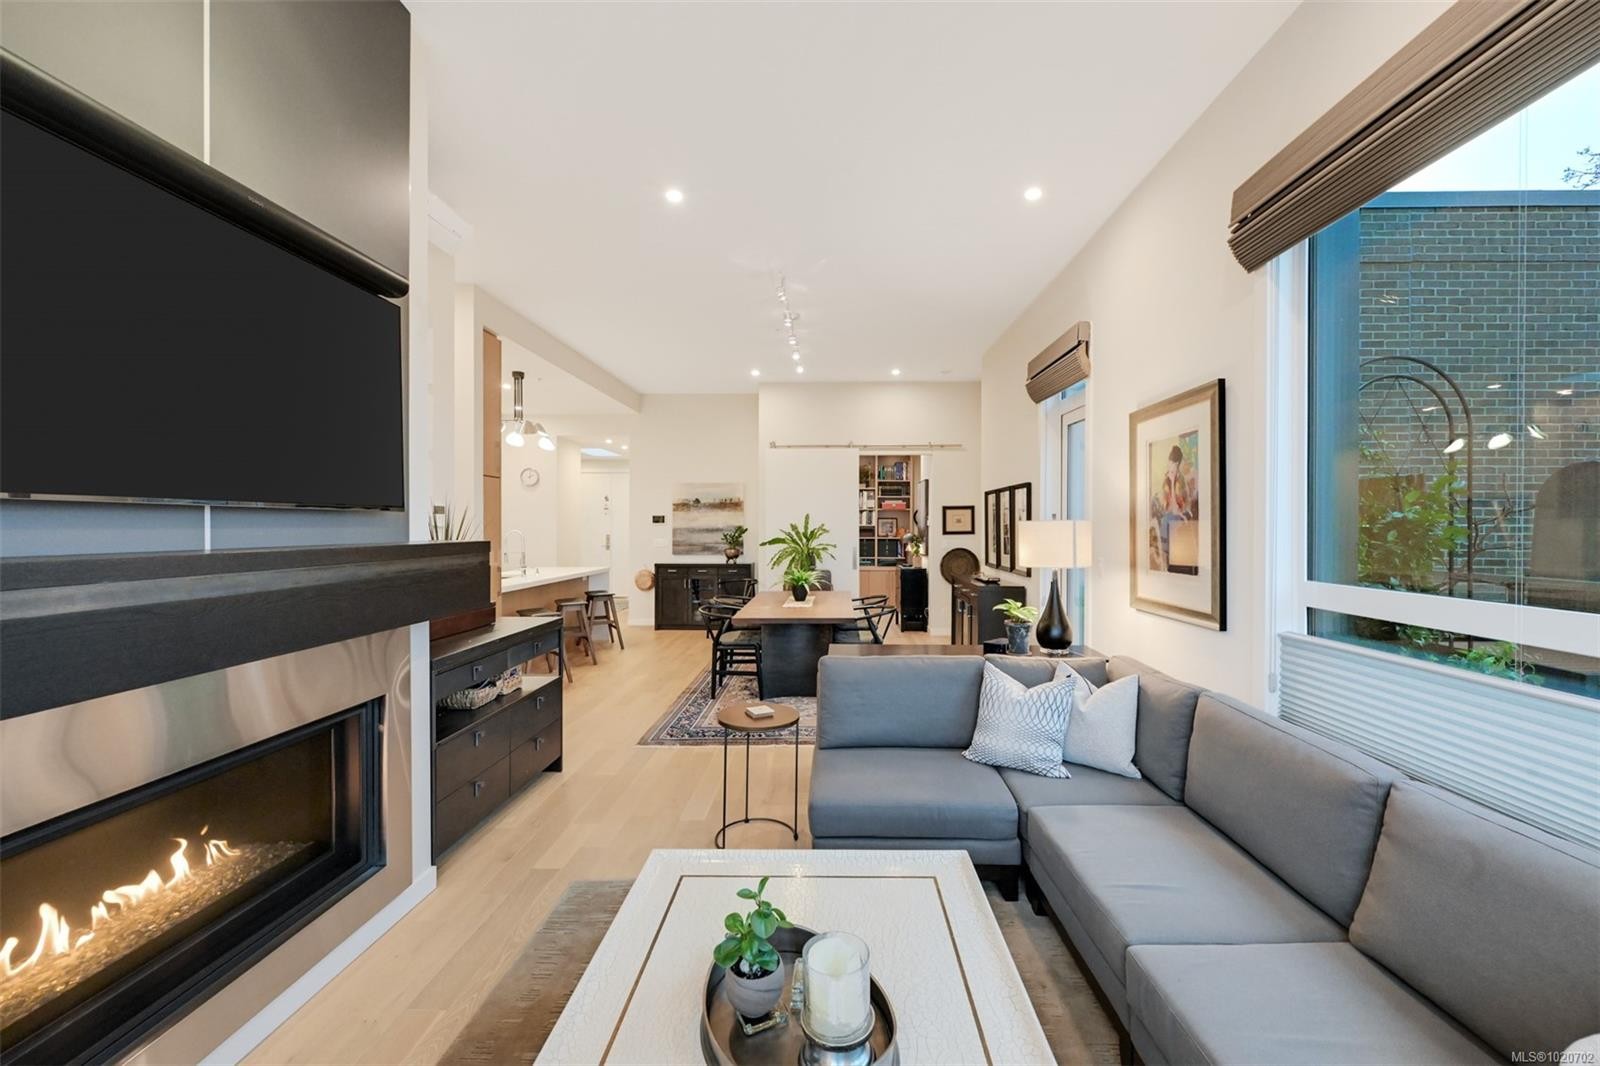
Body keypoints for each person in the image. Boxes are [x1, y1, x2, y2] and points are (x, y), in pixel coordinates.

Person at [1155, 444, 1197, 570]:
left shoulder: (1181, 481)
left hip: (1183, 513)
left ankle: (1171, 558)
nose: (1169, 466)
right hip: (1171, 514)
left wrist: (1173, 481)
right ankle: (1166, 558)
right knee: (1166, 519)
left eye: (1172, 463)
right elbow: (1167, 507)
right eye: (1169, 463)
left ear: (1177, 464)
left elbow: (1178, 508)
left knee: (1168, 520)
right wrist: (1170, 482)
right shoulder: (1166, 480)